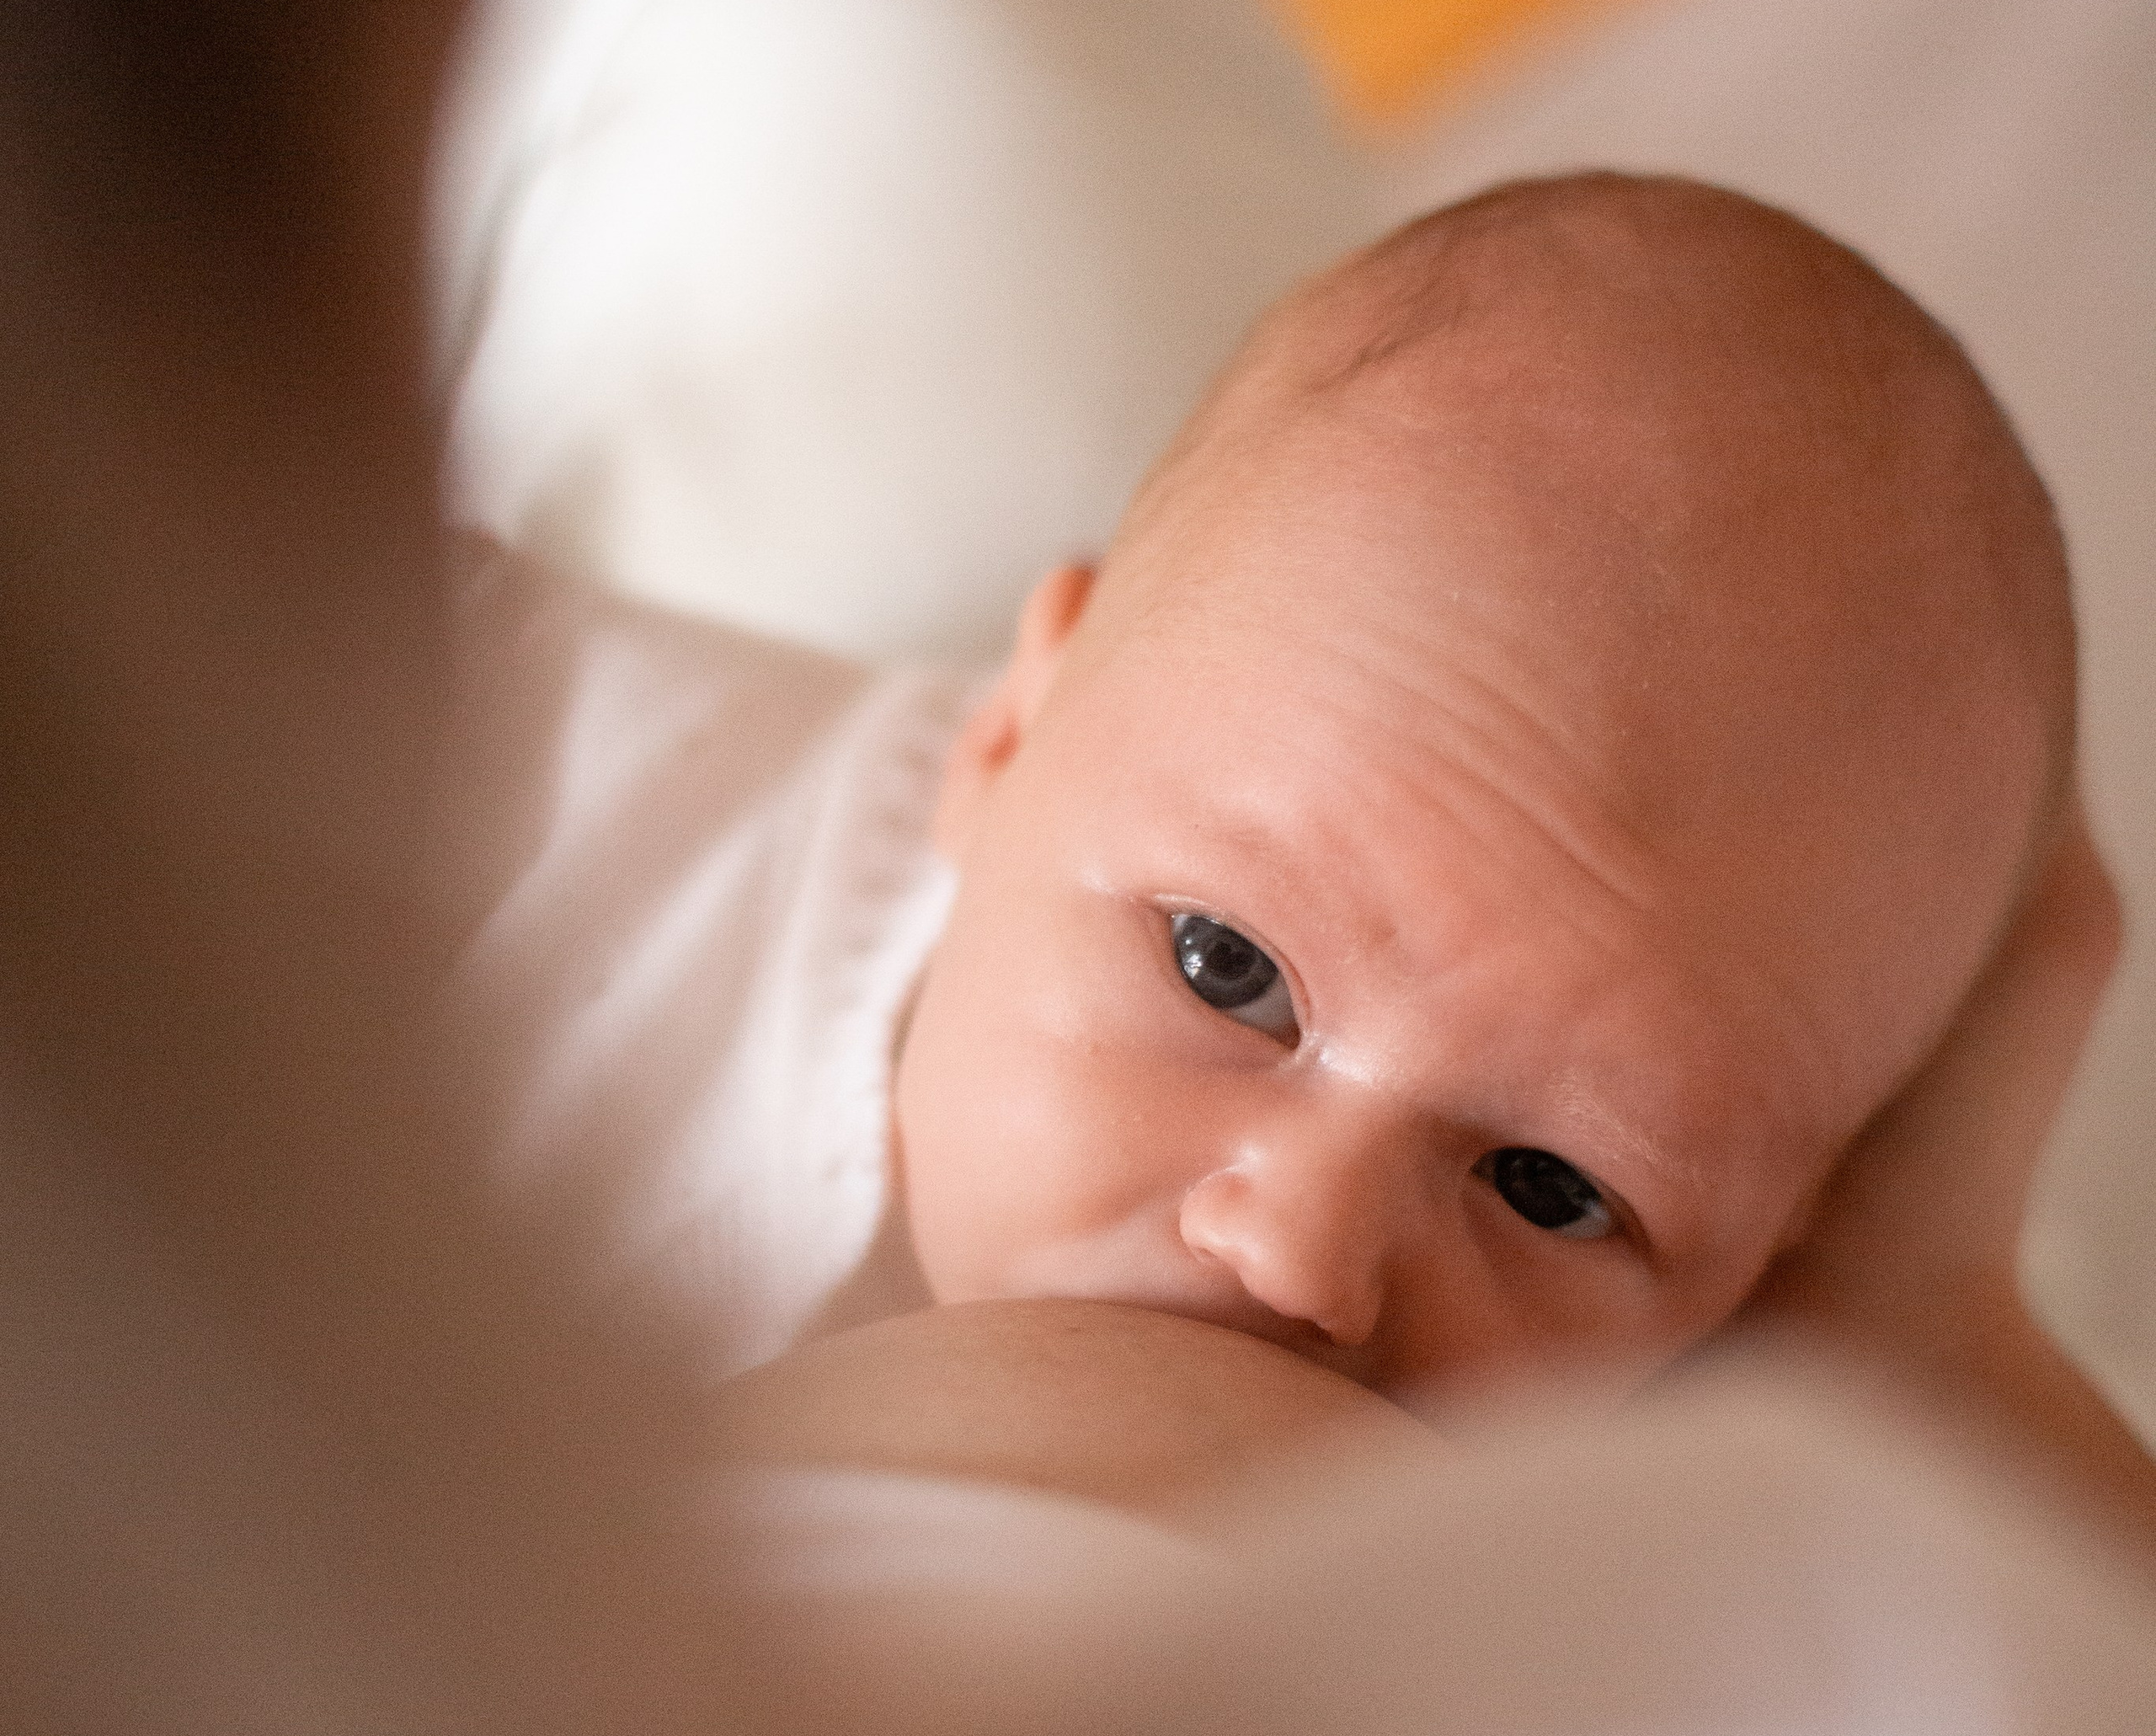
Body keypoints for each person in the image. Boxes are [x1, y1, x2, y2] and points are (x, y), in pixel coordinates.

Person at [460, 173, 2154, 1544]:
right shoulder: (490, 811)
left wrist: (1929, 1344)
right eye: (1226, 969)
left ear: (1767, 1255)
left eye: (1549, 1189)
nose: (1299, 1253)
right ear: (1008, 734)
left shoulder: (1698, 1463)